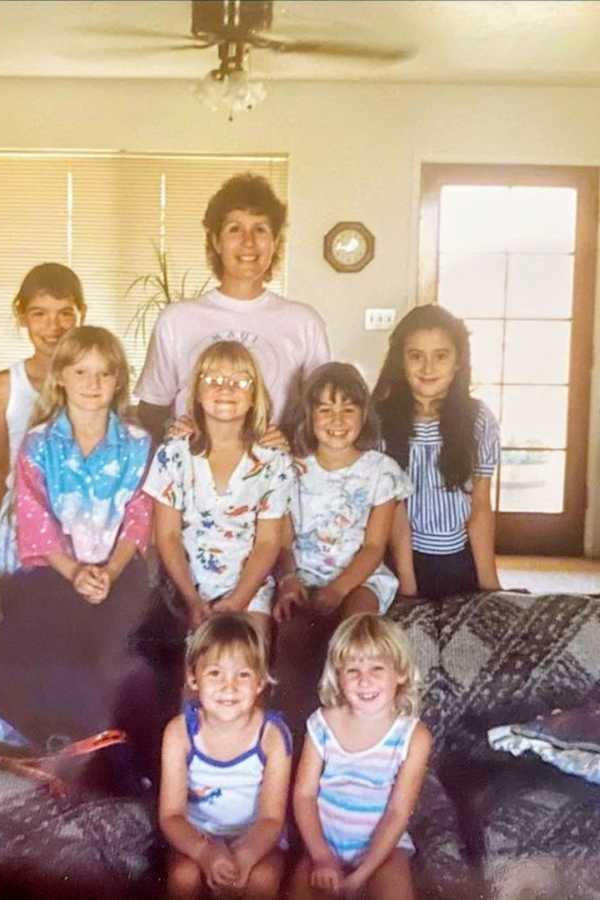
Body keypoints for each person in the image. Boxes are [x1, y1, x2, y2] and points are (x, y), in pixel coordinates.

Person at [0, 325, 159, 759]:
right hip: (53, 568)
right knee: (42, 644)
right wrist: (75, 572)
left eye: (104, 374)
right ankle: (45, 739)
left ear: (119, 380)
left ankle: (107, 747)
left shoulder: (137, 444)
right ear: (61, 377)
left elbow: (139, 516)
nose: (93, 384)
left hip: (117, 569)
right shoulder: (39, 444)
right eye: (81, 372)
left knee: (116, 648)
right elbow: (34, 520)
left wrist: (108, 574)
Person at [135, 172, 330, 443]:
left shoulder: (304, 322)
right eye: (235, 229)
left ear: (275, 242)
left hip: (275, 475)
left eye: (260, 229)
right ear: (216, 241)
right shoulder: (177, 320)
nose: (248, 241)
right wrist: (176, 435)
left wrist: (285, 440)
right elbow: (152, 409)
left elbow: (324, 412)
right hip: (194, 474)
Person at [144, 340, 293, 641]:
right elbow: (167, 536)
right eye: (212, 380)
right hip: (187, 586)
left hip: (248, 588)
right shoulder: (174, 454)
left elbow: (267, 542)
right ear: (197, 393)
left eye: (240, 381)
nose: (226, 389)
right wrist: (192, 600)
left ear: (255, 396)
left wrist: (238, 601)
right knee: (196, 669)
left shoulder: (273, 461)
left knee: (247, 655)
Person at [288, 614, 431, 900]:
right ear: (338, 677)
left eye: (377, 668)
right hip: (324, 844)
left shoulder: (413, 736)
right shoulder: (321, 723)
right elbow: (304, 795)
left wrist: (363, 874)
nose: (364, 680)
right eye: (352, 670)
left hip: (383, 850)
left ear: (400, 673)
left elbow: (398, 812)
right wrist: (321, 857)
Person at [371, 305, 502, 600]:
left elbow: (480, 506)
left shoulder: (478, 418)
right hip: (398, 560)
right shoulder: (379, 421)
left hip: (459, 556)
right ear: (400, 362)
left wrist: (490, 587)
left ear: (458, 362)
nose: (428, 368)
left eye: (441, 356)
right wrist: (407, 587)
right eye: (416, 356)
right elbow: (392, 511)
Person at [159, 613, 292, 899]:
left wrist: (244, 856)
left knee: (262, 880)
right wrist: (205, 851)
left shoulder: (272, 736)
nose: (228, 686)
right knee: (184, 877)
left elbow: (271, 818)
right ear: (193, 678)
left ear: (260, 682)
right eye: (215, 673)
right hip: (197, 834)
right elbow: (171, 815)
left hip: (256, 837)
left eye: (242, 674)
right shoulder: (179, 733)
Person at [275, 362, 413, 623]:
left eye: (348, 409)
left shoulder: (382, 470)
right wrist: (288, 581)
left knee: (356, 628)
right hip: (303, 577)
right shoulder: (291, 469)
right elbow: (282, 543)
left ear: (364, 415)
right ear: (309, 415)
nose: (337, 420)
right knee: (291, 637)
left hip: (360, 579)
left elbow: (374, 547)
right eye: (325, 410)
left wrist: (338, 589)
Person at [0, 262, 85, 575]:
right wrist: (22, 524)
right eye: (39, 313)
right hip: (25, 525)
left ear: (82, 313)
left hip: (85, 525)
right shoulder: (2, 388)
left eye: (65, 312)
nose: (53, 326)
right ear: (22, 316)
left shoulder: (97, 384)